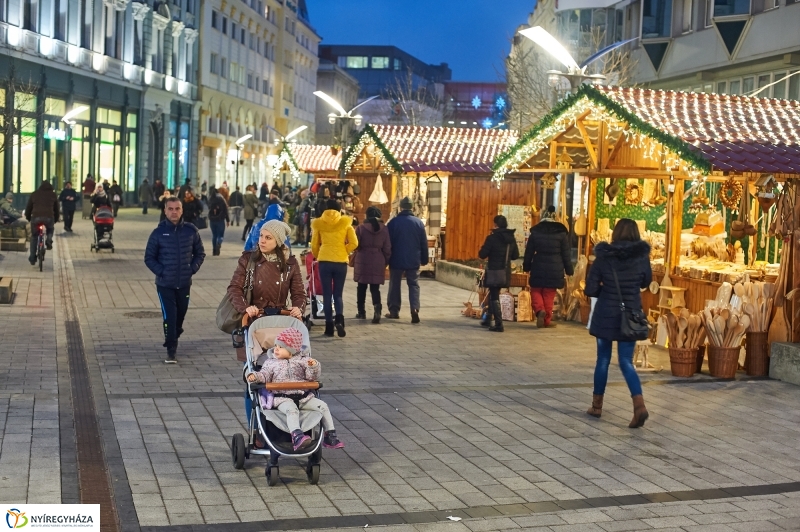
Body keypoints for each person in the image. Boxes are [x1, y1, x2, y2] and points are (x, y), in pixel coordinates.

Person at [584, 218, 652, 428]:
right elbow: (646, 281)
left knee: (603, 359)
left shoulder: (604, 256)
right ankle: (639, 406)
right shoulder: (641, 257)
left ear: (615, 233)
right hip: (630, 315)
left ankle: (597, 406)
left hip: (605, 314)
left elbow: (590, 288)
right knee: (625, 361)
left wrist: (605, 291)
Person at [245, 327, 343, 450]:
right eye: (275, 346)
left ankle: (330, 435)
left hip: (304, 397)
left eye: (281, 347)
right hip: (282, 399)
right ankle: (297, 436)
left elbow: (311, 377)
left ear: (291, 350)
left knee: (323, 406)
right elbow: (264, 375)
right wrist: (255, 376)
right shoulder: (271, 362)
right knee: (292, 409)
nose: (276, 349)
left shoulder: (303, 361)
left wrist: (313, 367)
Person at [144, 197, 205, 363]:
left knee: (180, 315)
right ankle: (171, 348)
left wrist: (191, 269)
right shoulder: (158, 233)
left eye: (177, 208)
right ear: (165, 211)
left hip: (184, 283)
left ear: (182, 210)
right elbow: (149, 258)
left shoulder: (191, 231)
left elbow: (200, 253)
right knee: (169, 316)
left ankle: (174, 333)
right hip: (165, 284)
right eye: (170, 209)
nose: (174, 212)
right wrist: (162, 272)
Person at [311, 199, 358, 338]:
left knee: (327, 294)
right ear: (339, 210)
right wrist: (344, 250)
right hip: (340, 262)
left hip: (325, 261)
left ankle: (329, 327)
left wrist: (318, 255)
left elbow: (314, 245)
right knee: (338, 294)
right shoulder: (345, 223)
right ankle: (339, 320)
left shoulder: (319, 224)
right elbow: (354, 242)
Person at [523, 205, 574, 329]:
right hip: (555, 267)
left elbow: (529, 252)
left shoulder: (535, 232)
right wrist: (569, 269)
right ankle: (546, 321)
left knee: (536, 290)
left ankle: (540, 310)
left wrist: (526, 267)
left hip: (538, 264)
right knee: (549, 294)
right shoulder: (561, 233)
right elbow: (566, 254)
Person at [385, 197, 428, 323]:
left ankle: (394, 311)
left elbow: (388, 244)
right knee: (414, 284)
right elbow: (423, 243)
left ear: (401, 207)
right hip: (413, 259)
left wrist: (386, 259)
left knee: (394, 285)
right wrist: (424, 259)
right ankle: (414, 309)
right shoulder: (418, 223)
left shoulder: (393, 223)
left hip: (396, 259)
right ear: (412, 207)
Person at [478, 215, 520, 332]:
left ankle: (498, 324)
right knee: (493, 294)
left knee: (494, 295)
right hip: (505, 272)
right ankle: (488, 319)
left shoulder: (492, 238)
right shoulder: (511, 238)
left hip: (494, 271)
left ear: (496, 224)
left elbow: (482, 254)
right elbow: (515, 255)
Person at [353, 207, 391, 324]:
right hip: (378, 259)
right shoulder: (384, 229)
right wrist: (385, 261)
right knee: (375, 288)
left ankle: (361, 311)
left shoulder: (361, 228)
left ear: (366, 215)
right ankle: (377, 309)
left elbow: (355, 244)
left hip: (363, 258)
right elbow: (387, 248)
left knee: (361, 287)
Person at [25, 181, 59, 265]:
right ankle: (49, 240)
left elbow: (28, 207)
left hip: (36, 217)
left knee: (34, 236)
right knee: (50, 229)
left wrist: (28, 217)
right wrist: (55, 219)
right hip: (49, 217)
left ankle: (32, 258)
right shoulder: (53, 195)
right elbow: (56, 208)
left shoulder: (34, 194)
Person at [207, 186, 229, 256]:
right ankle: (219, 243)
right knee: (220, 235)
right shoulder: (221, 199)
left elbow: (209, 208)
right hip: (220, 219)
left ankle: (214, 250)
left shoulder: (210, 199)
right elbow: (225, 210)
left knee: (214, 235)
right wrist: (227, 220)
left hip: (212, 220)